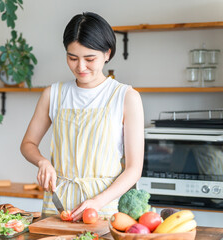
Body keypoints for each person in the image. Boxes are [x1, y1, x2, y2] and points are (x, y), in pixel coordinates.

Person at [20, 12, 144, 221]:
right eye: (72, 58)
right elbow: (28, 143)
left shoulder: (125, 97)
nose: (80, 67)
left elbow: (134, 169)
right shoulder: (53, 94)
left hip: (104, 209)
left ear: (107, 53)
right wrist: (42, 162)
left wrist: (97, 202)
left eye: (90, 59)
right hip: (58, 209)